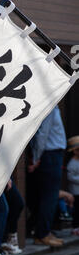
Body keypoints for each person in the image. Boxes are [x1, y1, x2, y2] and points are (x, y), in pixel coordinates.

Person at [28, 105, 66, 247]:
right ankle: (42, 233)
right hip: (49, 154)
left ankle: (44, 231)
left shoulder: (52, 105)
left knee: (47, 196)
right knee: (49, 196)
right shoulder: (48, 106)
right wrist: (36, 157)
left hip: (51, 154)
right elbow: (42, 134)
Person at [67, 136, 79, 236]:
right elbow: (70, 177)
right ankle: (75, 227)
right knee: (76, 209)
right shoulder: (72, 163)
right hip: (75, 190)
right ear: (75, 151)